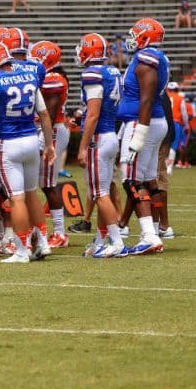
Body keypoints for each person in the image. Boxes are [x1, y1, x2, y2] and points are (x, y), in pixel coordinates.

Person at [0, 42, 56, 264]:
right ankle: (44, 243)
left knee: (16, 198)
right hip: (31, 140)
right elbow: (45, 115)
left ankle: (21, 249)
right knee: (31, 194)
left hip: (9, 143)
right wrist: (49, 144)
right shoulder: (29, 77)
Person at [116, 18, 169, 255]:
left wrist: (140, 131)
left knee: (131, 181)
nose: (132, 38)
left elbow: (146, 98)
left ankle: (149, 235)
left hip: (143, 121)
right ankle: (154, 230)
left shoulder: (146, 59)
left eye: (136, 34)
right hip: (153, 121)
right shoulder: (156, 57)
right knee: (148, 180)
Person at [74, 33, 126, 257]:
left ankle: (116, 241)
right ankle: (100, 240)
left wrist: (83, 146)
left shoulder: (92, 74)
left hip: (99, 138)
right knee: (102, 191)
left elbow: (93, 114)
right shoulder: (112, 71)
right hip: (110, 135)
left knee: (99, 193)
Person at [30, 41, 69, 247]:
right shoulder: (52, 75)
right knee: (44, 184)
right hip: (50, 130)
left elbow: (51, 113)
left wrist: (44, 140)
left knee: (47, 184)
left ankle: (60, 233)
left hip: (51, 131)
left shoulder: (54, 78)